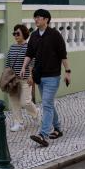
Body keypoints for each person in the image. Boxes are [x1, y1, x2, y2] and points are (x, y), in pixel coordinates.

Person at [20, 8, 70, 147]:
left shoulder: (55, 35)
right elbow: (29, 53)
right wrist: (24, 67)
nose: (36, 19)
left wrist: (68, 71)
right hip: (39, 76)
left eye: (39, 17)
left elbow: (63, 55)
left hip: (52, 76)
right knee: (49, 104)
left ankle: (43, 134)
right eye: (35, 17)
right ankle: (58, 129)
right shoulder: (34, 35)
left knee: (46, 104)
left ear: (46, 19)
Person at [3, 23, 40, 131]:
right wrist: (6, 76)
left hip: (25, 79)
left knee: (25, 102)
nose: (15, 35)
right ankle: (19, 123)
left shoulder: (29, 47)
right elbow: (8, 63)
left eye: (18, 33)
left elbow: (32, 62)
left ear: (24, 34)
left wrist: (31, 76)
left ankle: (36, 113)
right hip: (13, 80)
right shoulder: (12, 47)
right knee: (14, 102)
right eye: (14, 33)